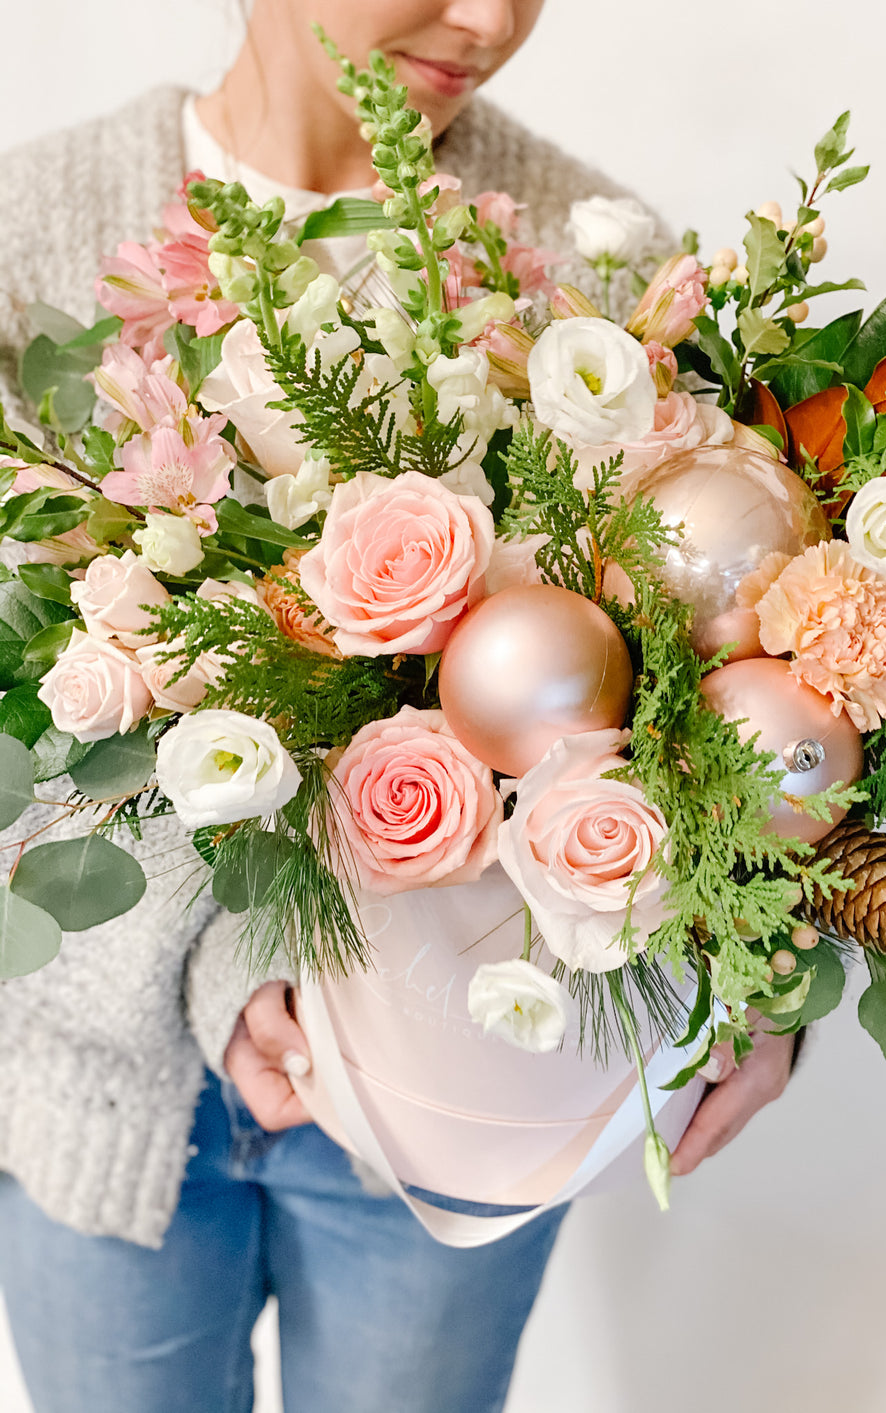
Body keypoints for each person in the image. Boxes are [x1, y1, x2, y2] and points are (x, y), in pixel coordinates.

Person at [0, 3, 798, 1410]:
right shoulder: (35, 236)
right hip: (91, 1075)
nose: (490, 18)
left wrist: (766, 955)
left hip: (457, 1080)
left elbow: (758, 660)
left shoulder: (596, 271)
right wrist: (225, 956)